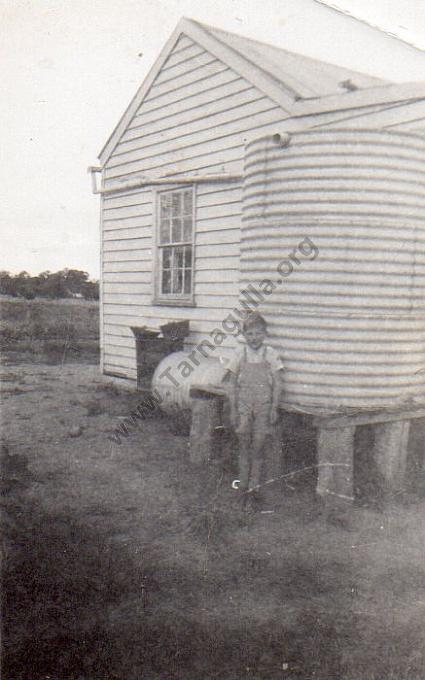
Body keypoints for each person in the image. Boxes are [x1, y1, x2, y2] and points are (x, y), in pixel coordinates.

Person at [222, 312, 284, 509]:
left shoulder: (271, 354)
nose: (254, 338)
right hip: (244, 407)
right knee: (243, 448)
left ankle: (253, 490)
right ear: (244, 335)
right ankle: (241, 490)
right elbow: (231, 383)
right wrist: (233, 410)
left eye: (257, 333)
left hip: (264, 406)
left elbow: (278, 383)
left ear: (264, 334)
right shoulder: (240, 354)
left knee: (258, 448)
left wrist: (274, 407)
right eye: (249, 334)